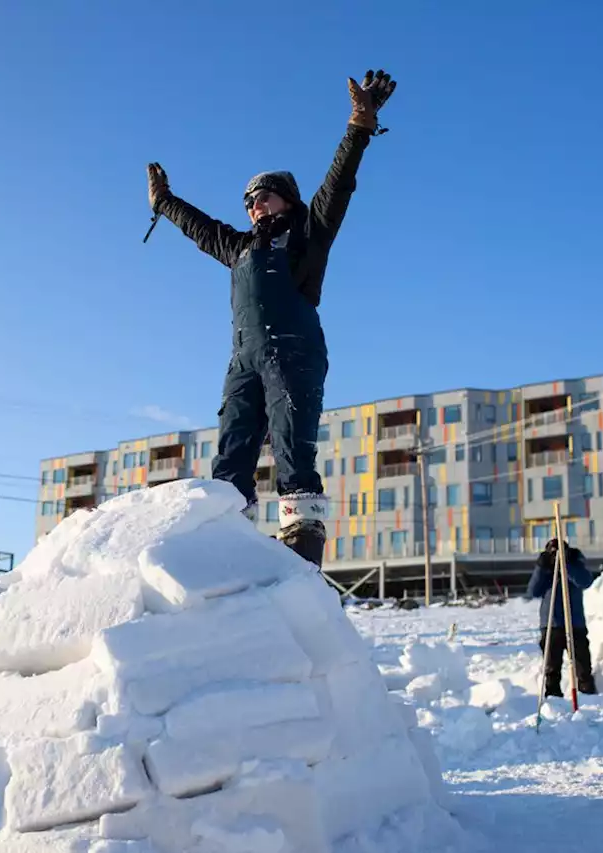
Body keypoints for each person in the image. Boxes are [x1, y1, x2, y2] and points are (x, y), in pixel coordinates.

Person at [144, 70, 397, 567]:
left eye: (264, 197)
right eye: (249, 202)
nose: (255, 206)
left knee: (291, 447)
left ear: (287, 199)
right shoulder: (238, 246)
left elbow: (339, 183)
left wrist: (359, 125)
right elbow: (198, 227)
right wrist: (164, 202)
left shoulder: (309, 230)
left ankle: (301, 552)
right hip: (244, 359)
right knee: (232, 450)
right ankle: (224, 539)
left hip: (294, 348)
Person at [527, 538, 598, 696]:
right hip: (551, 623)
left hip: (574, 622)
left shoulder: (575, 564)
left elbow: (585, 581)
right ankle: (553, 699)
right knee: (552, 667)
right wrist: (542, 567)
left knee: (582, 664)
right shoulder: (545, 569)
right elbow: (533, 591)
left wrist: (566, 566)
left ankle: (588, 697)